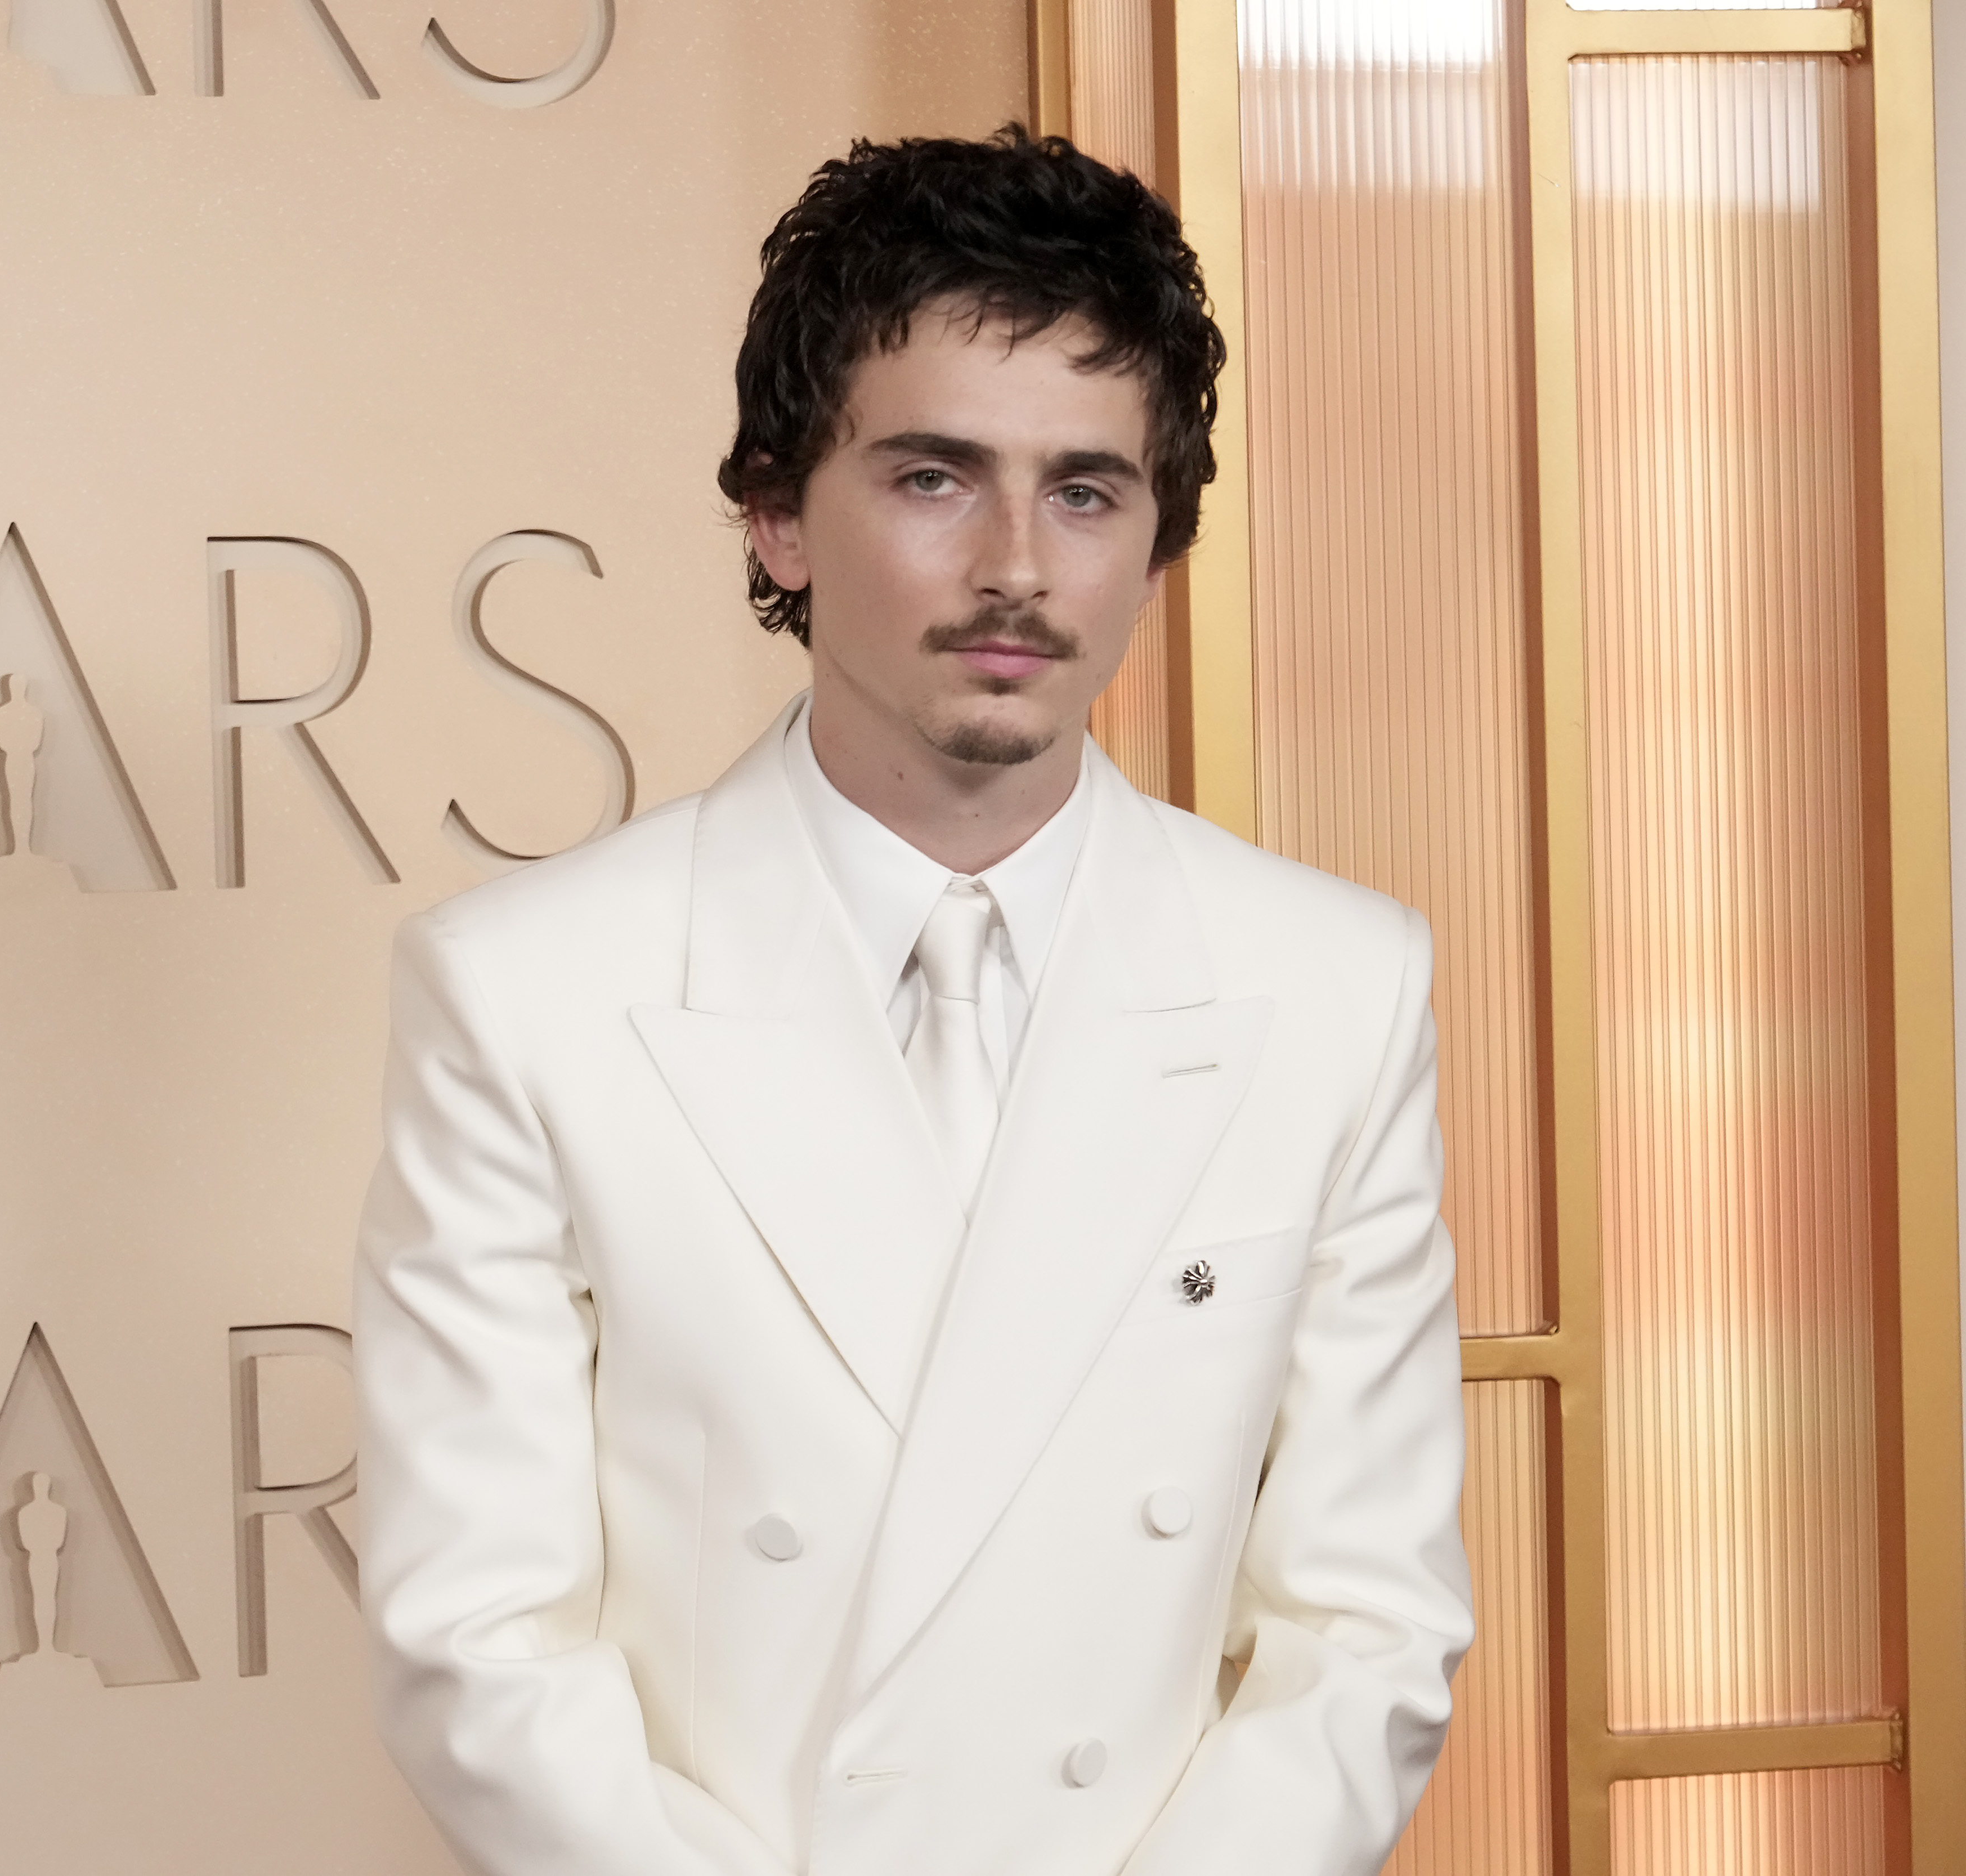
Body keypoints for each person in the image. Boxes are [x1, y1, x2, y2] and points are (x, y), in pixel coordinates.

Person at [351, 126, 1471, 1876]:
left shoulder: (1333, 983)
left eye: (1088, 491)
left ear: (1157, 542)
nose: (1020, 565)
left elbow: (1368, 1627)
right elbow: (479, 1649)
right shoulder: (529, 997)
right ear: (780, 513)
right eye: (937, 477)